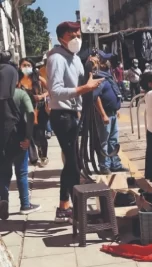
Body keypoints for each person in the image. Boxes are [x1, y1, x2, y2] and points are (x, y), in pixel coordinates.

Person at [47, 21, 104, 223]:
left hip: (72, 114)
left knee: (73, 163)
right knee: (73, 163)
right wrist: (84, 89)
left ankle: (65, 207)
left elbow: (82, 80)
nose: (77, 40)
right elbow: (55, 91)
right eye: (73, 36)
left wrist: (91, 69)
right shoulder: (56, 58)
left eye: (79, 35)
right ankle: (71, 208)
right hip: (61, 115)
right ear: (62, 37)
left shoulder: (73, 58)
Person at [0, 61, 41, 219]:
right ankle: (25, 204)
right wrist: (28, 138)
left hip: (1, 141)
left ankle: (3, 200)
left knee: (3, 174)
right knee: (22, 172)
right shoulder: (20, 94)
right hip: (19, 140)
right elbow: (31, 115)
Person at [93, 51, 127, 175]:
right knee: (104, 141)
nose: (108, 63)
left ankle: (115, 164)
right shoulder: (99, 78)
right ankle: (104, 166)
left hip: (112, 113)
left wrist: (115, 109)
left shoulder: (108, 76)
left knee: (113, 140)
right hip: (105, 115)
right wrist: (103, 114)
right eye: (105, 60)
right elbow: (96, 97)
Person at [18, 58, 50, 166]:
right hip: (24, 111)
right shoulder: (18, 81)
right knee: (28, 134)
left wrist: (41, 96)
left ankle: (43, 155)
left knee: (40, 134)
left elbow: (51, 90)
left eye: (28, 65)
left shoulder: (39, 79)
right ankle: (33, 157)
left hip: (39, 110)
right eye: (24, 65)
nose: (26, 67)